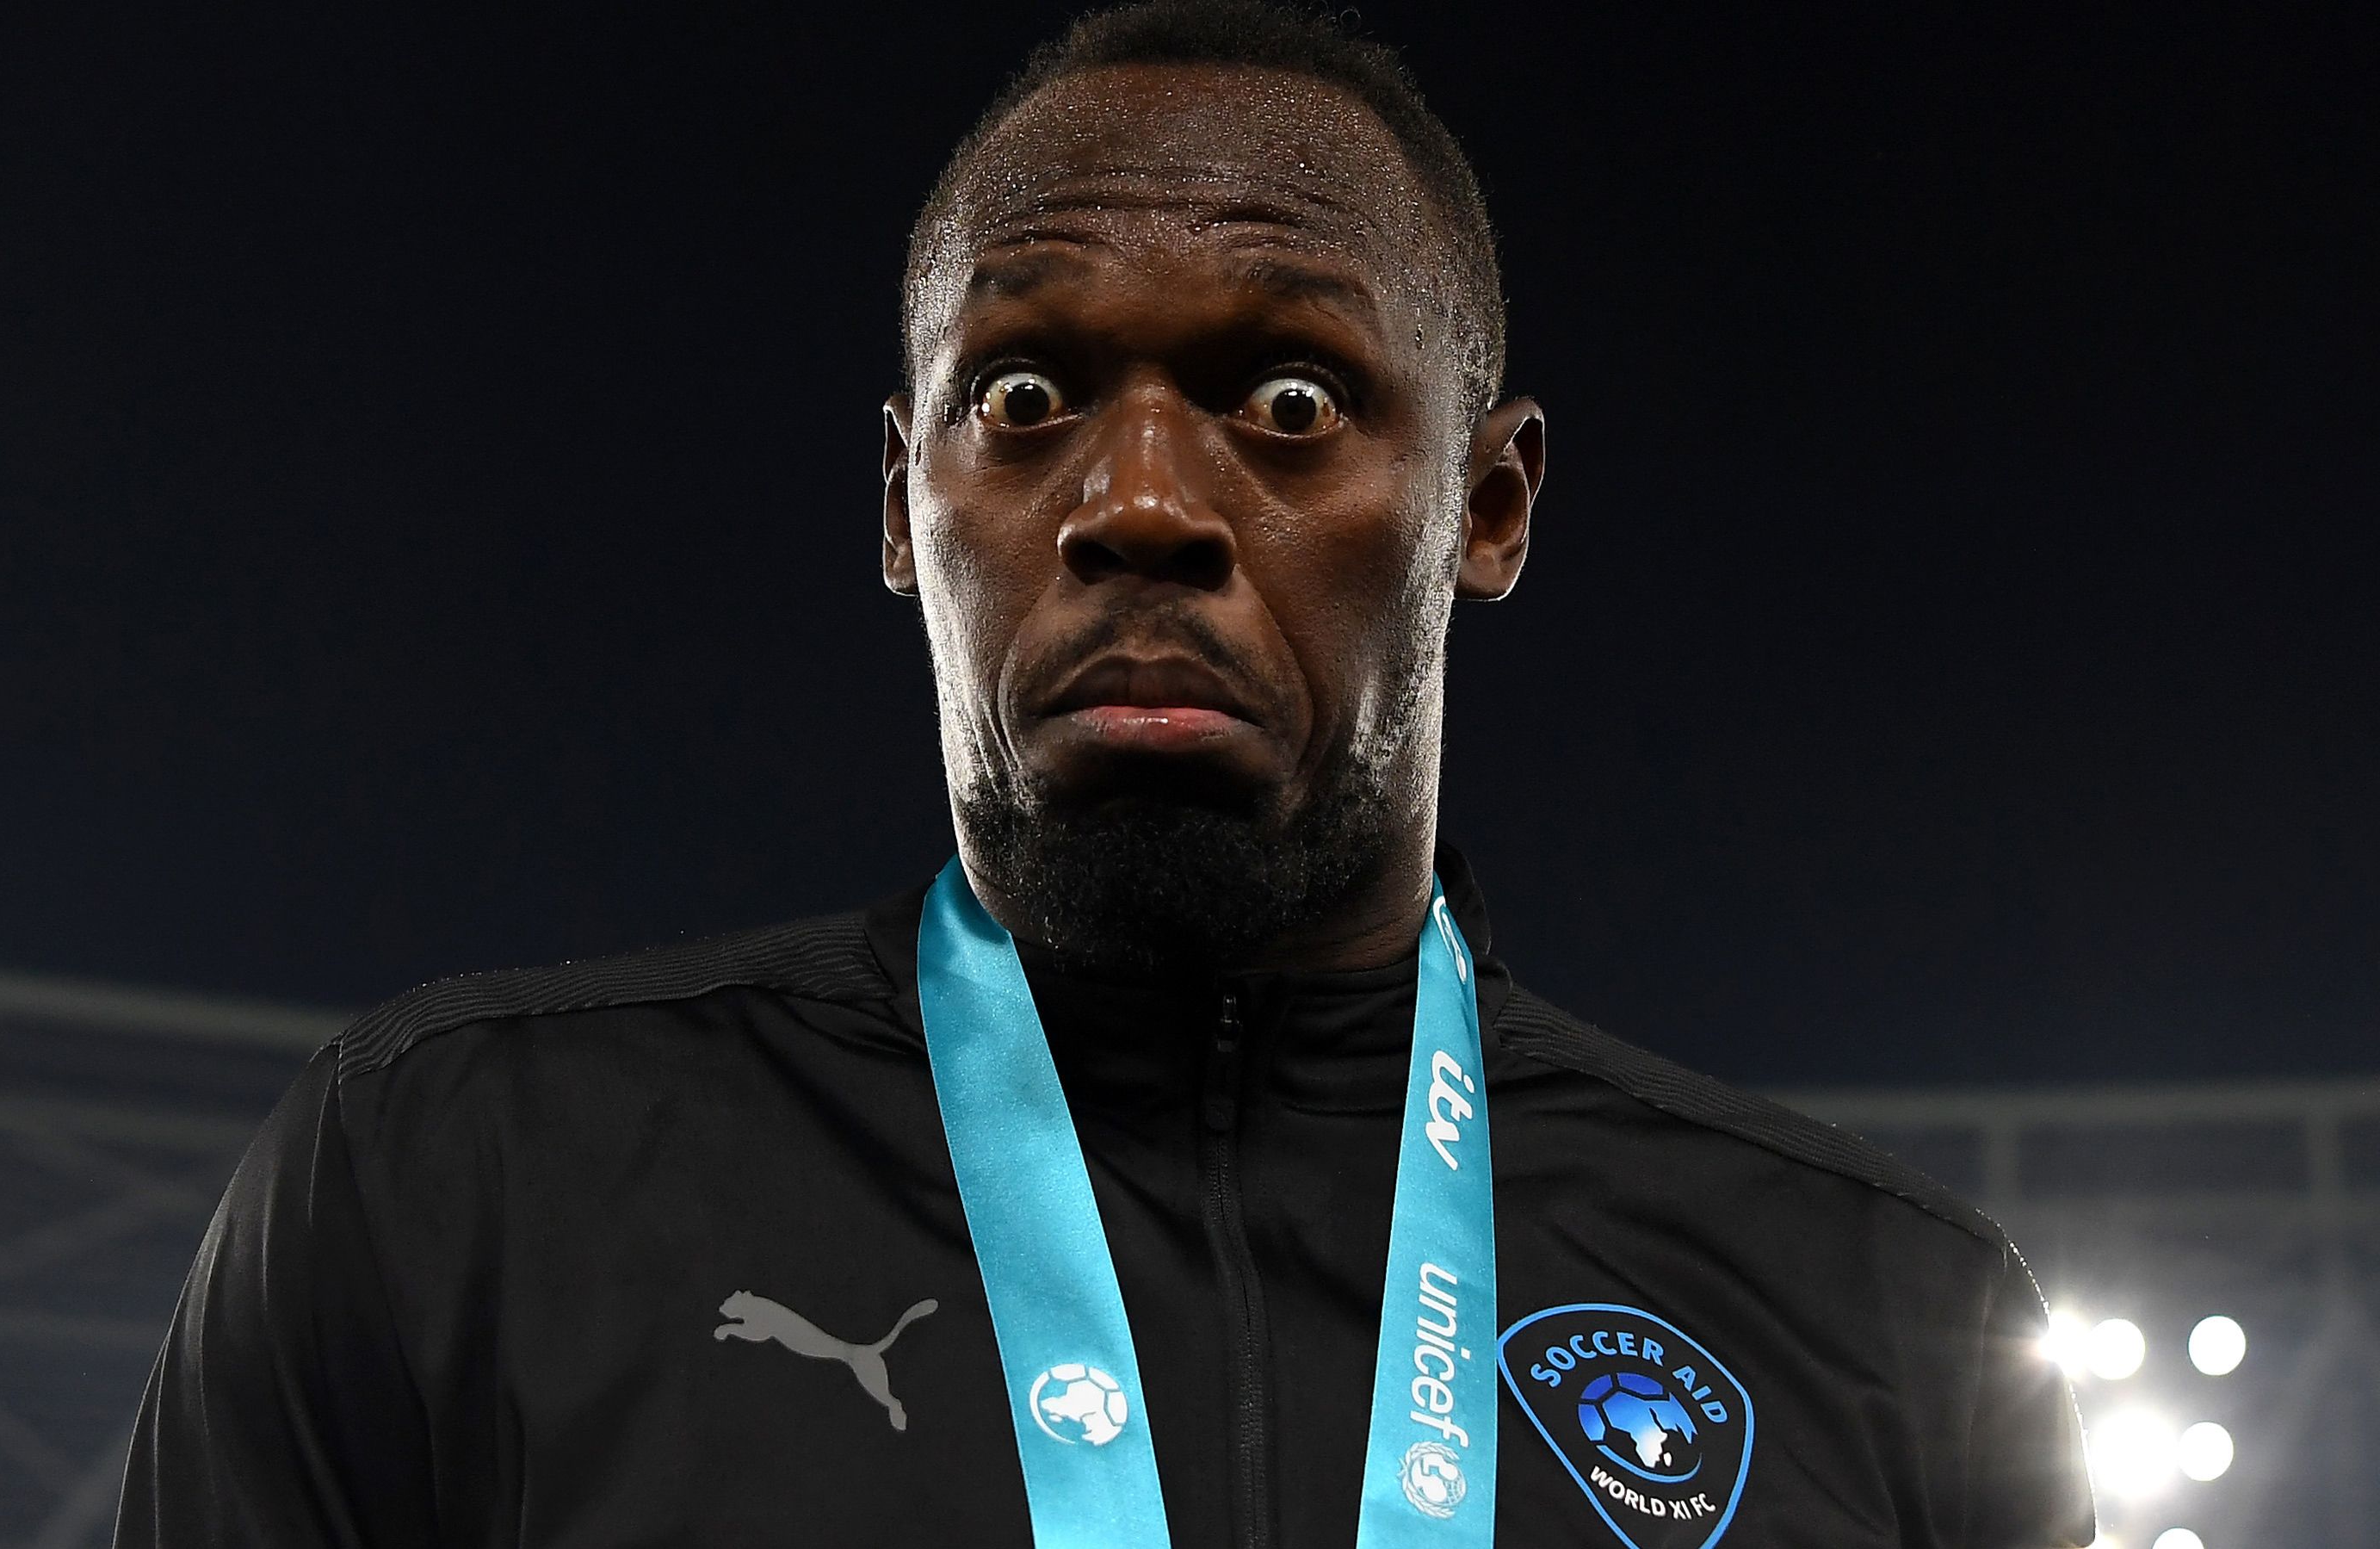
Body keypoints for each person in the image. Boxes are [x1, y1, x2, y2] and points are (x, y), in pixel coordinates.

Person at [118, 3, 2094, 1545]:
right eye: (1029, 397)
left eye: (1291, 402)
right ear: (904, 503)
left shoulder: (1886, 1330)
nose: (1139, 501)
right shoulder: (453, 1180)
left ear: (1486, 506)